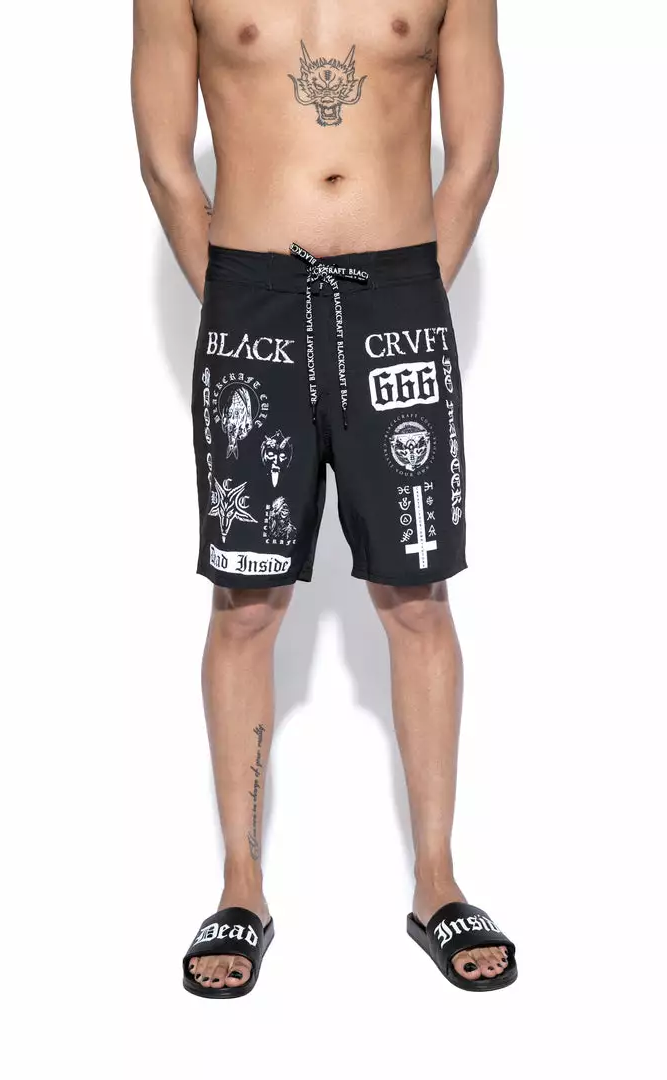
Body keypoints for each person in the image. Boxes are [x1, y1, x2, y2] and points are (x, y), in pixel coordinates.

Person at [132, 0, 517, 995]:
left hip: (399, 300)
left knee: (419, 599)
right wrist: (235, 299)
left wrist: (409, 297)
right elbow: (167, 160)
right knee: (245, 605)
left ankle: (437, 882)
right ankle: (241, 886)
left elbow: (474, 157)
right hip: (251, 302)